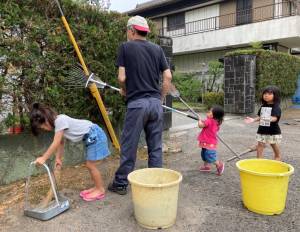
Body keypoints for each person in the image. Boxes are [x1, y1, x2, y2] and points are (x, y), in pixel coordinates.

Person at [108, 15, 172, 195]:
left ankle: (120, 183)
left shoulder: (125, 47)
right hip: (155, 104)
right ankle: (157, 183)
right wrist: (161, 98)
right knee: (155, 146)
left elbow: (122, 77)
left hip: (137, 105)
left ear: (131, 30)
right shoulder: (157, 49)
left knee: (129, 145)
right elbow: (167, 77)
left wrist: (124, 89)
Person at [30, 103, 110, 201]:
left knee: (91, 165)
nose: (45, 129)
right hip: (91, 137)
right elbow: (61, 143)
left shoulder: (60, 120)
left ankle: (100, 189)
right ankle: (97, 187)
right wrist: (58, 158)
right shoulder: (58, 124)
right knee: (90, 165)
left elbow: (56, 142)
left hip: (95, 135)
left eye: (43, 127)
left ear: (46, 120)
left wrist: (43, 158)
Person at [245, 86, 282, 160]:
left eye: (269, 93)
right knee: (260, 144)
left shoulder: (276, 107)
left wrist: (269, 119)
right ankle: (259, 159)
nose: (266, 95)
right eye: (265, 93)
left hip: (273, 131)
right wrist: (253, 120)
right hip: (262, 129)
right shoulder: (263, 106)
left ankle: (278, 156)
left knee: (273, 144)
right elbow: (260, 117)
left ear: (275, 95)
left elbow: (275, 118)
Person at [198, 105, 225, 175]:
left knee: (210, 155)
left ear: (213, 115)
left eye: (210, 111)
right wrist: (204, 121)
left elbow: (200, 125)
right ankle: (206, 166)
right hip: (207, 142)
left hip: (209, 142)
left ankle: (219, 165)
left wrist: (199, 121)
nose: (208, 112)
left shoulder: (209, 121)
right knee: (204, 154)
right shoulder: (215, 122)